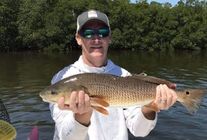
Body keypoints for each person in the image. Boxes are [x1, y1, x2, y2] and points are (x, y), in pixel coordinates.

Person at [50, 10, 177, 140]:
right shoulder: (62, 78)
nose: (96, 38)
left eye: (103, 32)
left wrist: (150, 108)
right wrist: (81, 117)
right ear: (78, 38)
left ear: (109, 37)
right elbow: (64, 136)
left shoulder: (123, 75)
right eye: (88, 33)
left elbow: (140, 131)